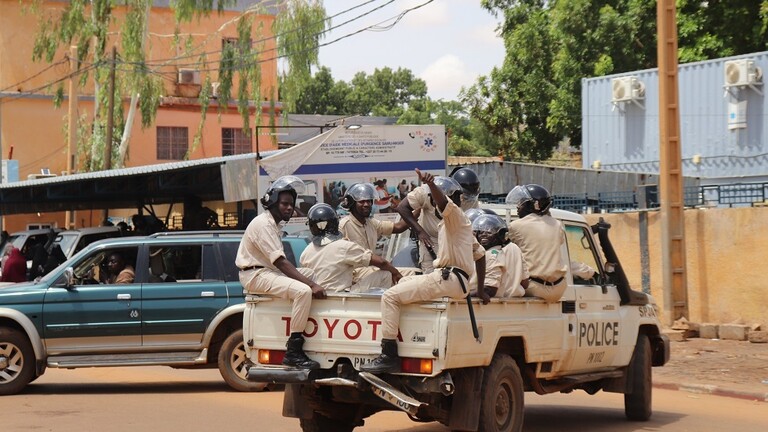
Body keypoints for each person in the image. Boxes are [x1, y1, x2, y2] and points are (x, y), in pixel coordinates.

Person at [362, 169, 486, 374]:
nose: (436, 204)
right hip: (456, 280)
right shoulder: (457, 223)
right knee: (403, 284)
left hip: (448, 277)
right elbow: (480, 255)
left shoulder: (454, 215)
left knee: (390, 297)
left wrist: (431, 184)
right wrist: (480, 291)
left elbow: (443, 202)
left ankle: (389, 354)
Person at [235, 175, 325, 370]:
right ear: (273, 202)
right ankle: (293, 351)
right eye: (285, 204)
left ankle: (303, 318)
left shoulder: (273, 224)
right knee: (303, 291)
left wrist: (311, 280)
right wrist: (311, 285)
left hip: (266, 271)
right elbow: (281, 262)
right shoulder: (264, 224)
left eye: (291, 204)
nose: (289, 208)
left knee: (310, 273)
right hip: (255, 275)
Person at [301, 203, 400, 292]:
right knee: (386, 274)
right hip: (342, 296)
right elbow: (381, 262)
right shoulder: (343, 246)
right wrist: (396, 273)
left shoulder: (306, 251)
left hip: (320, 296)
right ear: (335, 223)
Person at [338, 183, 415, 283]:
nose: (366, 204)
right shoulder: (344, 226)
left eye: (369, 201)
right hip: (353, 275)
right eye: (361, 201)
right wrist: (393, 271)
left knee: (411, 273)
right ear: (352, 204)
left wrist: (419, 208)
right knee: (391, 275)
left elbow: (398, 227)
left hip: (369, 271)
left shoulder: (371, 223)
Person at [505, 184, 568, 302]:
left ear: (535, 205)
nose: (518, 207)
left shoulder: (516, 225)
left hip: (534, 287)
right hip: (559, 288)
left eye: (522, 203)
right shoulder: (558, 225)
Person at [396, 175, 459, 274]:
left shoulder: (457, 202)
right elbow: (402, 208)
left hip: (453, 244)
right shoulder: (423, 194)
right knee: (431, 277)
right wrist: (420, 231)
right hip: (430, 244)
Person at [469, 214, 529, 299]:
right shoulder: (514, 248)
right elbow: (525, 283)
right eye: (481, 232)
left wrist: (464, 295)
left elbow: (490, 289)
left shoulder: (490, 255)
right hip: (516, 300)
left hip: (493, 302)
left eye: (489, 232)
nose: (483, 235)